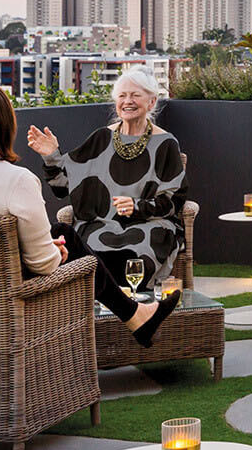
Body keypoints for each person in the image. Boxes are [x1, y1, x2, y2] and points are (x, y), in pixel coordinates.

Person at [0, 81, 179, 347]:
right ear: (4, 125)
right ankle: (134, 316)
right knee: (65, 237)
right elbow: (43, 265)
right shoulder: (16, 181)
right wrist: (56, 252)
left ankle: (135, 315)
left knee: (60, 235)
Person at [27, 65, 188, 293]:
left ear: (151, 102)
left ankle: (135, 308)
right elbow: (63, 187)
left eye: (135, 95)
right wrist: (51, 156)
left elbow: (174, 199)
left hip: (149, 223)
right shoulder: (102, 138)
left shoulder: (166, 143)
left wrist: (136, 206)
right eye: (122, 96)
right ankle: (102, 311)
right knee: (92, 247)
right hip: (102, 223)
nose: (127, 101)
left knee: (138, 251)